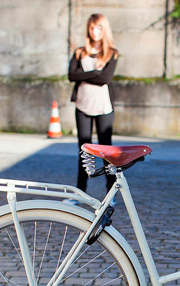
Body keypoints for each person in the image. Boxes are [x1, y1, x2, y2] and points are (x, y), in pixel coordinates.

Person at [68, 13, 118, 195]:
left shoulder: (111, 53)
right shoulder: (79, 52)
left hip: (104, 107)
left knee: (107, 151)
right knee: (84, 151)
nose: (95, 32)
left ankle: (110, 193)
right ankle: (80, 192)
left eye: (99, 28)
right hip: (82, 105)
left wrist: (87, 75)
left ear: (104, 30)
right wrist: (95, 74)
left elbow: (105, 78)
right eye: (92, 28)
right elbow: (71, 76)